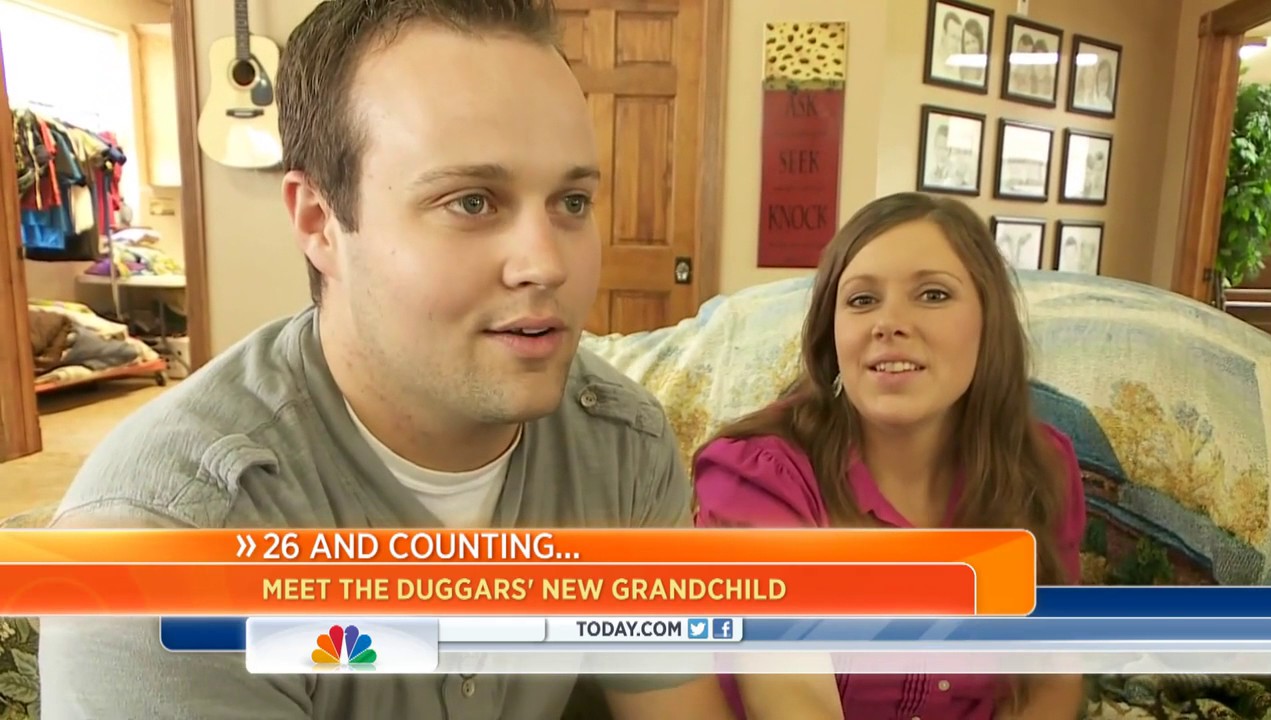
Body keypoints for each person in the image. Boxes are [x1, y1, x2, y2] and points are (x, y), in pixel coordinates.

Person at [36, 2, 749, 719]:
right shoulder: (162, 552)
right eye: (472, 202)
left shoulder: (620, 447)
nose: (547, 264)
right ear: (319, 221)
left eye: (571, 201)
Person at [692, 193, 1087, 719]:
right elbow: (794, 697)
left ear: (989, 321)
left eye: (932, 294)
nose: (889, 323)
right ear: (833, 337)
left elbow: (1049, 678)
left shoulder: (1041, 466)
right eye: (861, 300)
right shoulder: (756, 478)